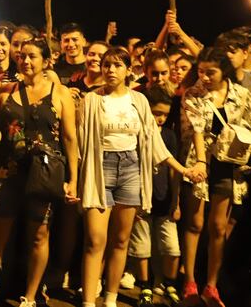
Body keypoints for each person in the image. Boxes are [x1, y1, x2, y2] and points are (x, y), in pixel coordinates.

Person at [78, 47, 194, 307]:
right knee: (95, 239)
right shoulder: (92, 100)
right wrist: (75, 178)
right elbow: (80, 143)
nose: (110, 70)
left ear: (129, 70)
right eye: (107, 65)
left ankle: (110, 297)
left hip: (131, 168)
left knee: (121, 239)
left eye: (118, 65)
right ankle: (88, 301)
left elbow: (154, 143)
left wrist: (184, 169)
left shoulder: (138, 100)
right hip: (100, 168)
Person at [0, 38, 79, 307]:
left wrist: (73, 179)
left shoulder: (60, 93)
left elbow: (70, 138)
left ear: (45, 61)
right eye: (22, 56)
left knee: (39, 235)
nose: (26, 61)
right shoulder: (5, 93)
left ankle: (30, 296)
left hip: (44, 174)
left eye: (32, 56)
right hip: (9, 172)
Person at [179, 46, 251, 307]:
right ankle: (189, 282)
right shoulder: (194, 94)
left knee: (219, 227)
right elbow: (196, 130)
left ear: (224, 70)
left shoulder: (243, 95)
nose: (205, 77)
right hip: (201, 161)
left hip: (229, 164)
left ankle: (211, 285)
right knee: (195, 223)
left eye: (210, 72)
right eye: (200, 72)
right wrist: (201, 160)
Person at [126, 86, 183, 307]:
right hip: (141, 200)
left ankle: (169, 283)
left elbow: (173, 171)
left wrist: (176, 201)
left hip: (165, 200)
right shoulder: (137, 134)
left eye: (164, 115)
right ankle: (145, 285)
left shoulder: (169, 136)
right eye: (156, 113)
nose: (160, 119)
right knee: (141, 246)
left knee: (172, 246)